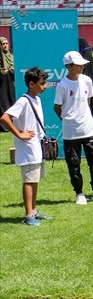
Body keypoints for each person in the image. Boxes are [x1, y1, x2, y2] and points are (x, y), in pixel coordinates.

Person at [57, 50, 93, 205]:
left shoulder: (87, 80)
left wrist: (83, 116)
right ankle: (79, 193)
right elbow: (57, 107)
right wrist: (68, 119)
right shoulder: (63, 85)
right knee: (73, 163)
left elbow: (87, 101)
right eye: (78, 65)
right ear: (69, 66)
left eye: (82, 64)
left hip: (88, 129)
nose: (82, 67)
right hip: (70, 132)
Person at [1, 67, 51, 226]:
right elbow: (5, 118)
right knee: (29, 181)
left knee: (34, 180)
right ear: (31, 84)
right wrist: (19, 134)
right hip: (28, 148)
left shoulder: (37, 99)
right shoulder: (23, 100)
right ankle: (29, 215)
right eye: (42, 83)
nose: (45, 86)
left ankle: (34, 210)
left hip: (36, 146)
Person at [0, 35, 15, 122]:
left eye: (7, 43)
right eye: (3, 44)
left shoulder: (11, 56)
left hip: (11, 83)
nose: (5, 45)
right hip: (2, 85)